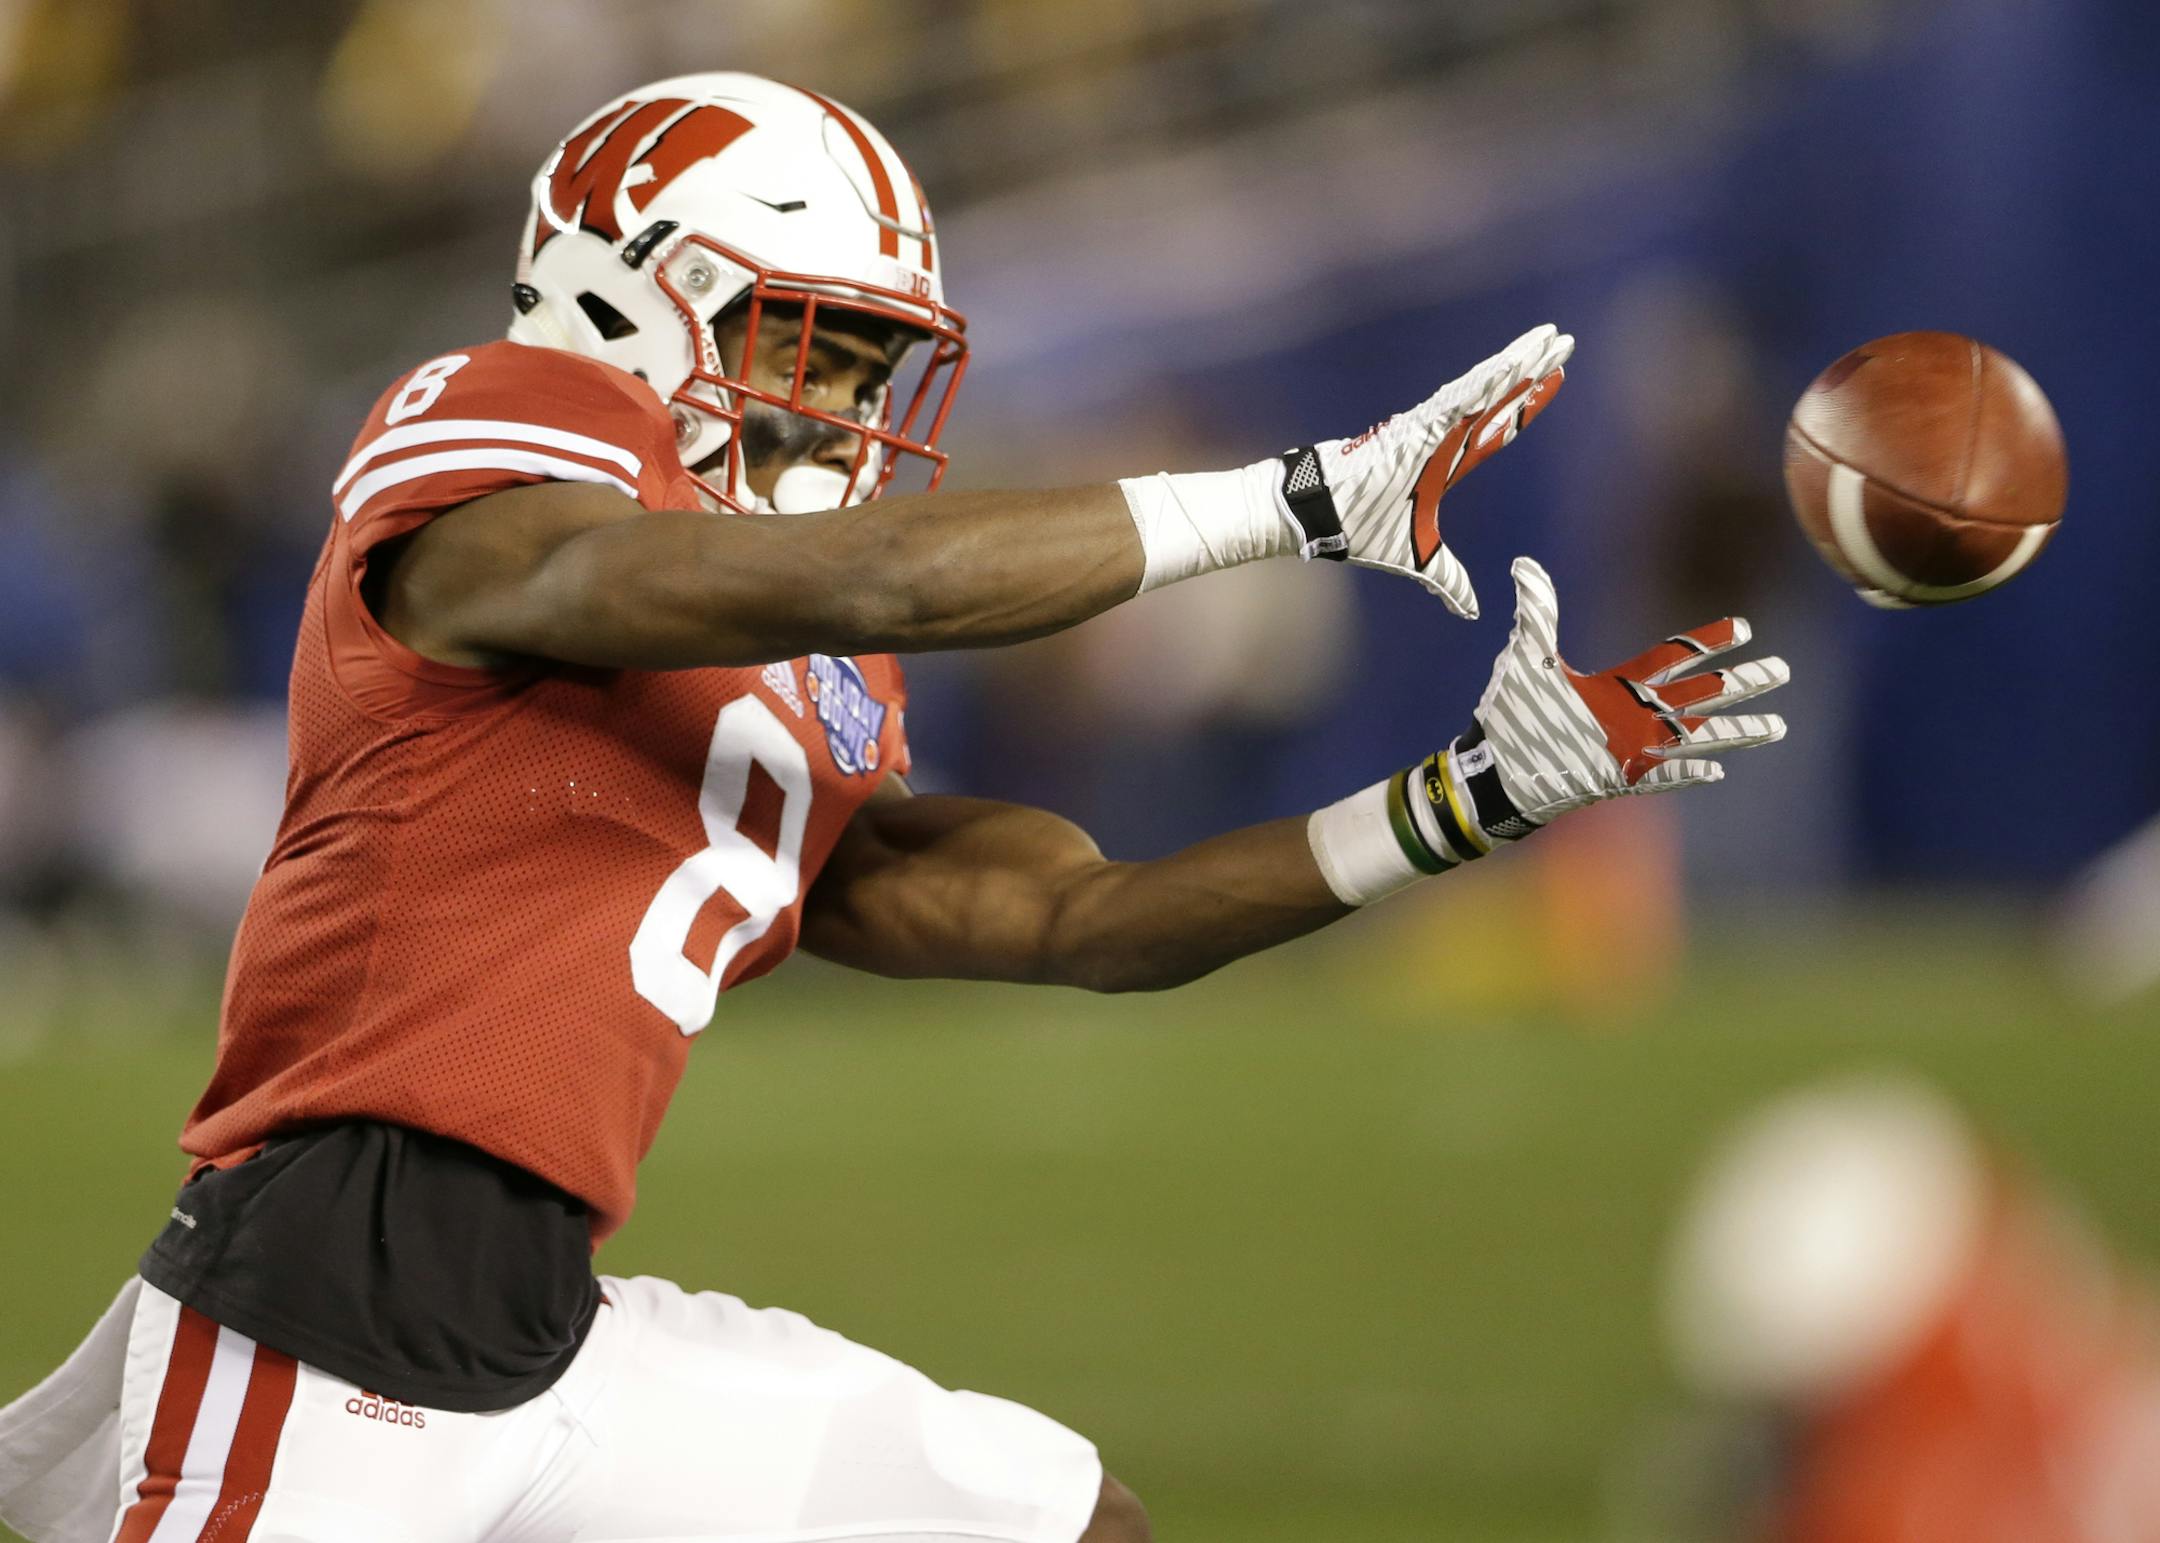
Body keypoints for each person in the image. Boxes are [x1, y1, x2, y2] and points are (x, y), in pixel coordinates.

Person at [0, 72, 1789, 1543]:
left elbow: (1072, 916)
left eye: (866, 365)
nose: (844, 411)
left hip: (544, 1336)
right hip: (321, 1324)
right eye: (816, 347)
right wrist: (1293, 501)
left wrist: (1457, 804)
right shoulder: (497, 440)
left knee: (1073, 1529)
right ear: (638, 293)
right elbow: (874, 582)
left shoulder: (778, 641)